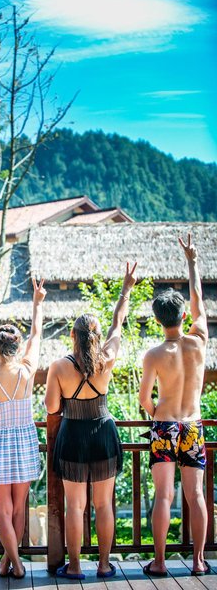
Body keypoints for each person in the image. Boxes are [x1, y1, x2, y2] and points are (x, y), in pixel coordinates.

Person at [45, 263, 137, 581]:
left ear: (72, 335)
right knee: (103, 504)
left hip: (72, 433)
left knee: (75, 506)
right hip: (103, 433)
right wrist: (125, 290)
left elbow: (51, 406)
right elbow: (117, 324)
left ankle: (73, 567)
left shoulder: (59, 366)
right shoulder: (107, 359)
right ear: (97, 337)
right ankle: (104, 565)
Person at [139, 234, 209, 577]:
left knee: (164, 496)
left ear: (157, 320)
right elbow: (199, 302)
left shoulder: (153, 355)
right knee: (196, 495)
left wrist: (157, 417)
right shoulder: (199, 341)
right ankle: (198, 562)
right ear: (183, 316)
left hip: (165, 425)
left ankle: (160, 562)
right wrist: (192, 262)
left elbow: (144, 398)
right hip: (192, 424)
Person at [0, 278, 46, 579]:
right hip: (25, 440)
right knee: (18, 508)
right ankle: (12, 562)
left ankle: (12, 563)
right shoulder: (27, 371)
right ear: (18, 345)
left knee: (2, 509)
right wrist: (37, 302)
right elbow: (37, 334)